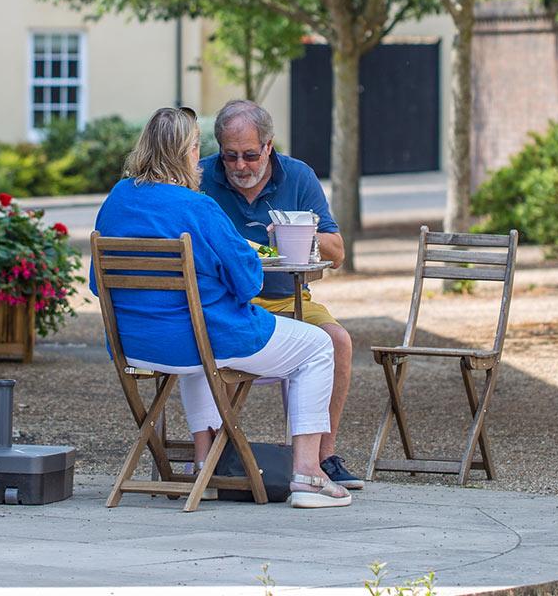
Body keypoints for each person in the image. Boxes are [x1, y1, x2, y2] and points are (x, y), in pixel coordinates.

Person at [93, 106, 351, 508]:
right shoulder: (197, 206)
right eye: (198, 148)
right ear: (187, 152)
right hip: (201, 340)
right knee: (319, 345)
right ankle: (307, 473)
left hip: (135, 345)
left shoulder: (117, 199)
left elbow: (97, 283)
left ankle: (205, 465)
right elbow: (249, 282)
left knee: (198, 350)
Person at [197, 99, 362, 491]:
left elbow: (337, 251)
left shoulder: (298, 177)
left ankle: (322, 456)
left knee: (338, 340)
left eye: (251, 155)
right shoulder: (200, 177)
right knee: (212, 340)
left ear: (269, 146)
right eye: (230, 156)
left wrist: (301, 240)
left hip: (289, 297)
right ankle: (223, 454)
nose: (239, 166)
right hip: (231, 299)